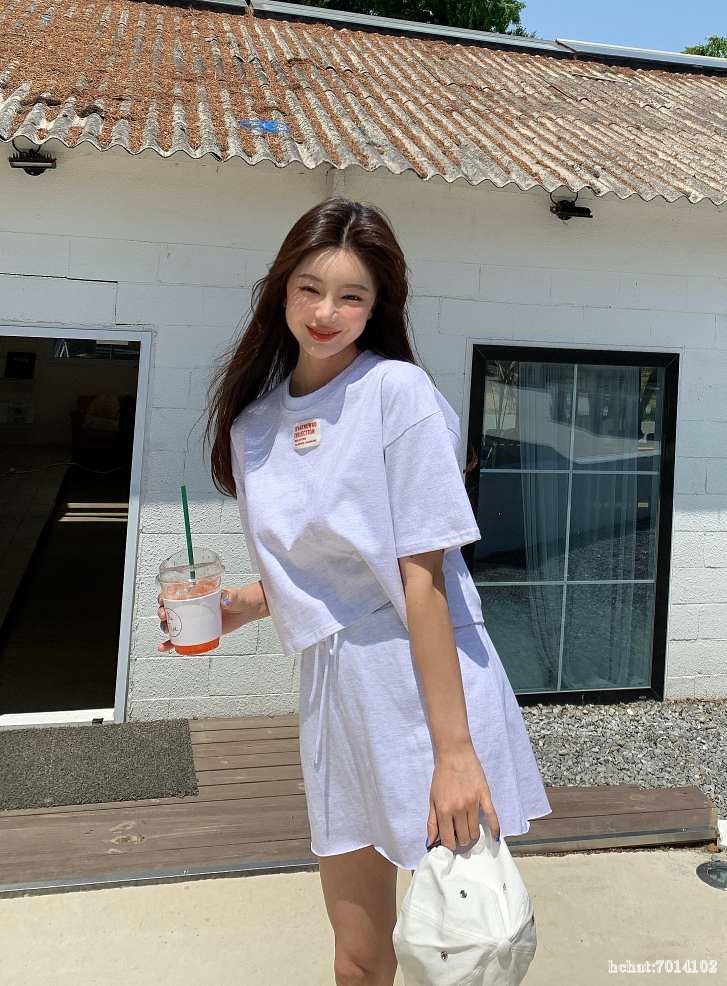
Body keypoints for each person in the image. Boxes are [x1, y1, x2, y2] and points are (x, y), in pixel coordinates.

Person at [157, 197, 552, 986]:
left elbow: (420, 581)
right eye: (309, 288)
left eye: (350, 296)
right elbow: (323, 570)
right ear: (280, 291)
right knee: (356, 957)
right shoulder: (255, 423)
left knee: (461, 948)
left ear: (378, 307)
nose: (324, 312)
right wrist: (235, 608)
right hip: (333, 692)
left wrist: (454, 754)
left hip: (420, 684)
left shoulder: (396, 393)